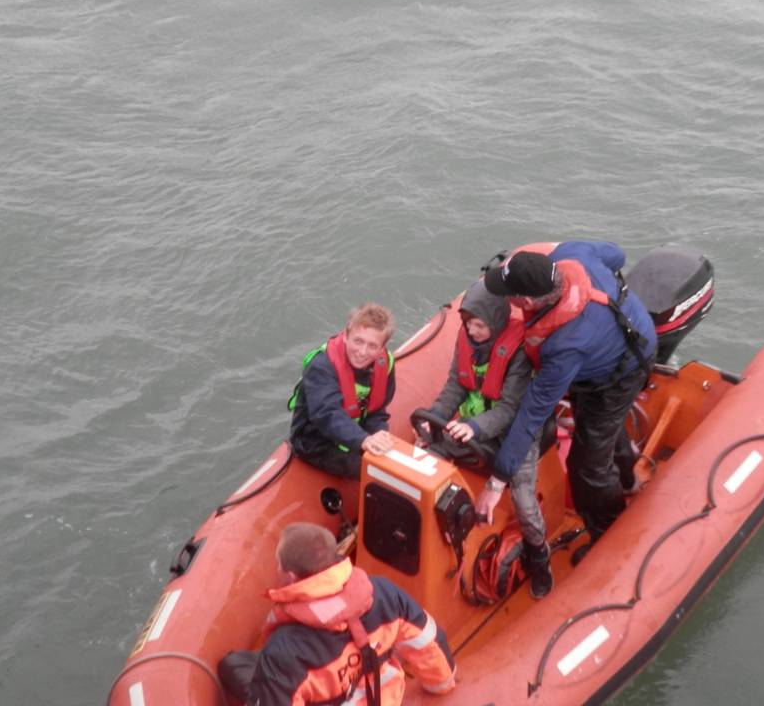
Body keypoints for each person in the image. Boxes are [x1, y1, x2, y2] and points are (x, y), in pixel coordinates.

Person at [481, 241, 656, 565]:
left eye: (508, 294)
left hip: (621, 373)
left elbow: (533, 412)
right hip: (612, 345)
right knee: (600, 429)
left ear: (528, 301)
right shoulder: (573, 253)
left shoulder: (565, 347)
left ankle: (609, 532)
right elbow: (617, 254)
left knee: (586, 465)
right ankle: (628, 478)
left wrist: (497, 480)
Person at [418, 280, 553, 599]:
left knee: (523, 500)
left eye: (479, 324)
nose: (473, 330)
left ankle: (539, 556)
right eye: (468, 323)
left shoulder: (517, 352)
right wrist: (435, 417)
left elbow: (509, 408)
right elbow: (456, 385)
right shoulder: (465, 341)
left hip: (515, 431)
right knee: (427, 457)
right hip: (474, 423)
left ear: (495, 321)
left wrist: (474, 428)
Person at [226, 522, 457, 706]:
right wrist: (442, 687)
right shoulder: (385, 593)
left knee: (232, 666)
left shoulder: (283, 651)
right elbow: (428, 642)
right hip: (385, 697)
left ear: (292, 577)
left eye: (280, 566)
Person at [289, 303, 397, 479]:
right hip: (317, 441)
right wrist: (364, 440)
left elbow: (377, 410)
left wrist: (379, 432)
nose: (362, 352)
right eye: (358, 341)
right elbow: (327, 414)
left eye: (372, 346)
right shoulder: (321, 366)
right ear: (346, 336)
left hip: (356, 429)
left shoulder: (385, 365)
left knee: (391, 464)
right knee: (379, 474)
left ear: (382, 348)